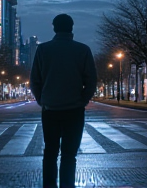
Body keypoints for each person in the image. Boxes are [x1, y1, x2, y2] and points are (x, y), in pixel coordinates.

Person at [30, 14, 97, 188]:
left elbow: (35, 80)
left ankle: (49, 185)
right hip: (74, 109)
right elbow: (91, 81)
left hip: (50, 109)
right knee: (69, 155)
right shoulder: (83, 50)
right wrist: (82, 100)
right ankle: (67, 185)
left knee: (50, 153)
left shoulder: (43, 50)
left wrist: (42, 99)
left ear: (54, 28)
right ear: (72, 28)